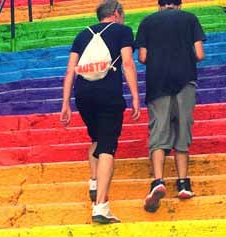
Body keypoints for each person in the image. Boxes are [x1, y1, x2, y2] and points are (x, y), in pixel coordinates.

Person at [60, 0, 140, 224]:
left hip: (83, 94)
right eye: (122, 15)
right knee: (107, 146)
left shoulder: (82, 34)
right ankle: (101, 206)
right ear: (116, 14)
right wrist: (134, 96)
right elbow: (127, 63)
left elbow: (70, 70)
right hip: (108, 95)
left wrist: (65, 103)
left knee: (96, 138)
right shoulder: (122, 31)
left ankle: (94, 182)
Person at [135, 0, 206, 212]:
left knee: (159, 129)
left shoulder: (147, 21)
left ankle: (158, 181)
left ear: (160, 5)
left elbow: (143, 57)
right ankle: (183, 183)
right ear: (179, 5)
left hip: (157, 82)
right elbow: (200, 54)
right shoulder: (190, 19)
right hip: (185, 80)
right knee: (183, 128)